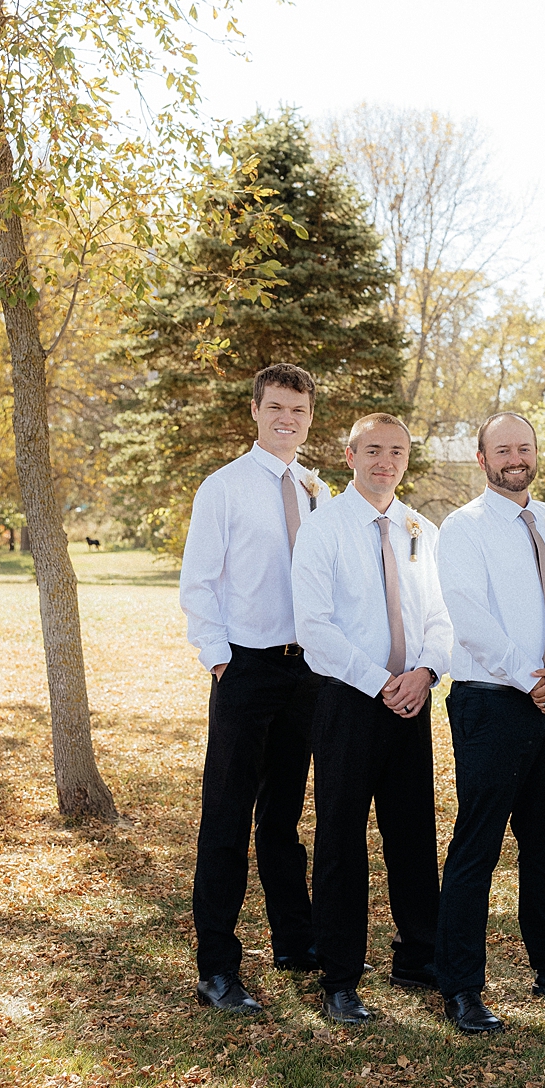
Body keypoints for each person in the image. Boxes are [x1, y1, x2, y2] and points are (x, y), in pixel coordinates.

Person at [433, 413, 545, 1035]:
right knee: (477, 845)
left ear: (536, 455)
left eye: (523, 448)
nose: (514, 458)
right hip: (492, 699)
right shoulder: (463, 528)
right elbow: (469, 616)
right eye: (501, 449)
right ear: (482, 459)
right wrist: (530, 676)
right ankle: (460, 987)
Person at [291, 413, 452, 1025]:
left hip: (412, 699)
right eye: (373, 450)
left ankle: (418, 956)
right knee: (340, 839)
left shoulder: (420, 529)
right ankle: (339, 978)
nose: (385, 461)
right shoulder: (324, 527)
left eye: (397, 452)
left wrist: (426, 673)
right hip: (348, 700)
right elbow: (314, 627)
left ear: (407, 460)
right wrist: (380, 681)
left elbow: (440, 616)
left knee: (412, 834)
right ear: (351, 454)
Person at [181, 363, 331, 1014]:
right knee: (226, 818)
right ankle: (217, 970)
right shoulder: (224, 488)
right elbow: (199, 580)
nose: (286, 419)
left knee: (284, 819)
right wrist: (220, 660)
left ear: (309, 418)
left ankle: (296, 944)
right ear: (256, 411)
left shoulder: (318, 489)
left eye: (297, 410)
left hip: (307, 674)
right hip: (246, 668)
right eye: (275, 407)